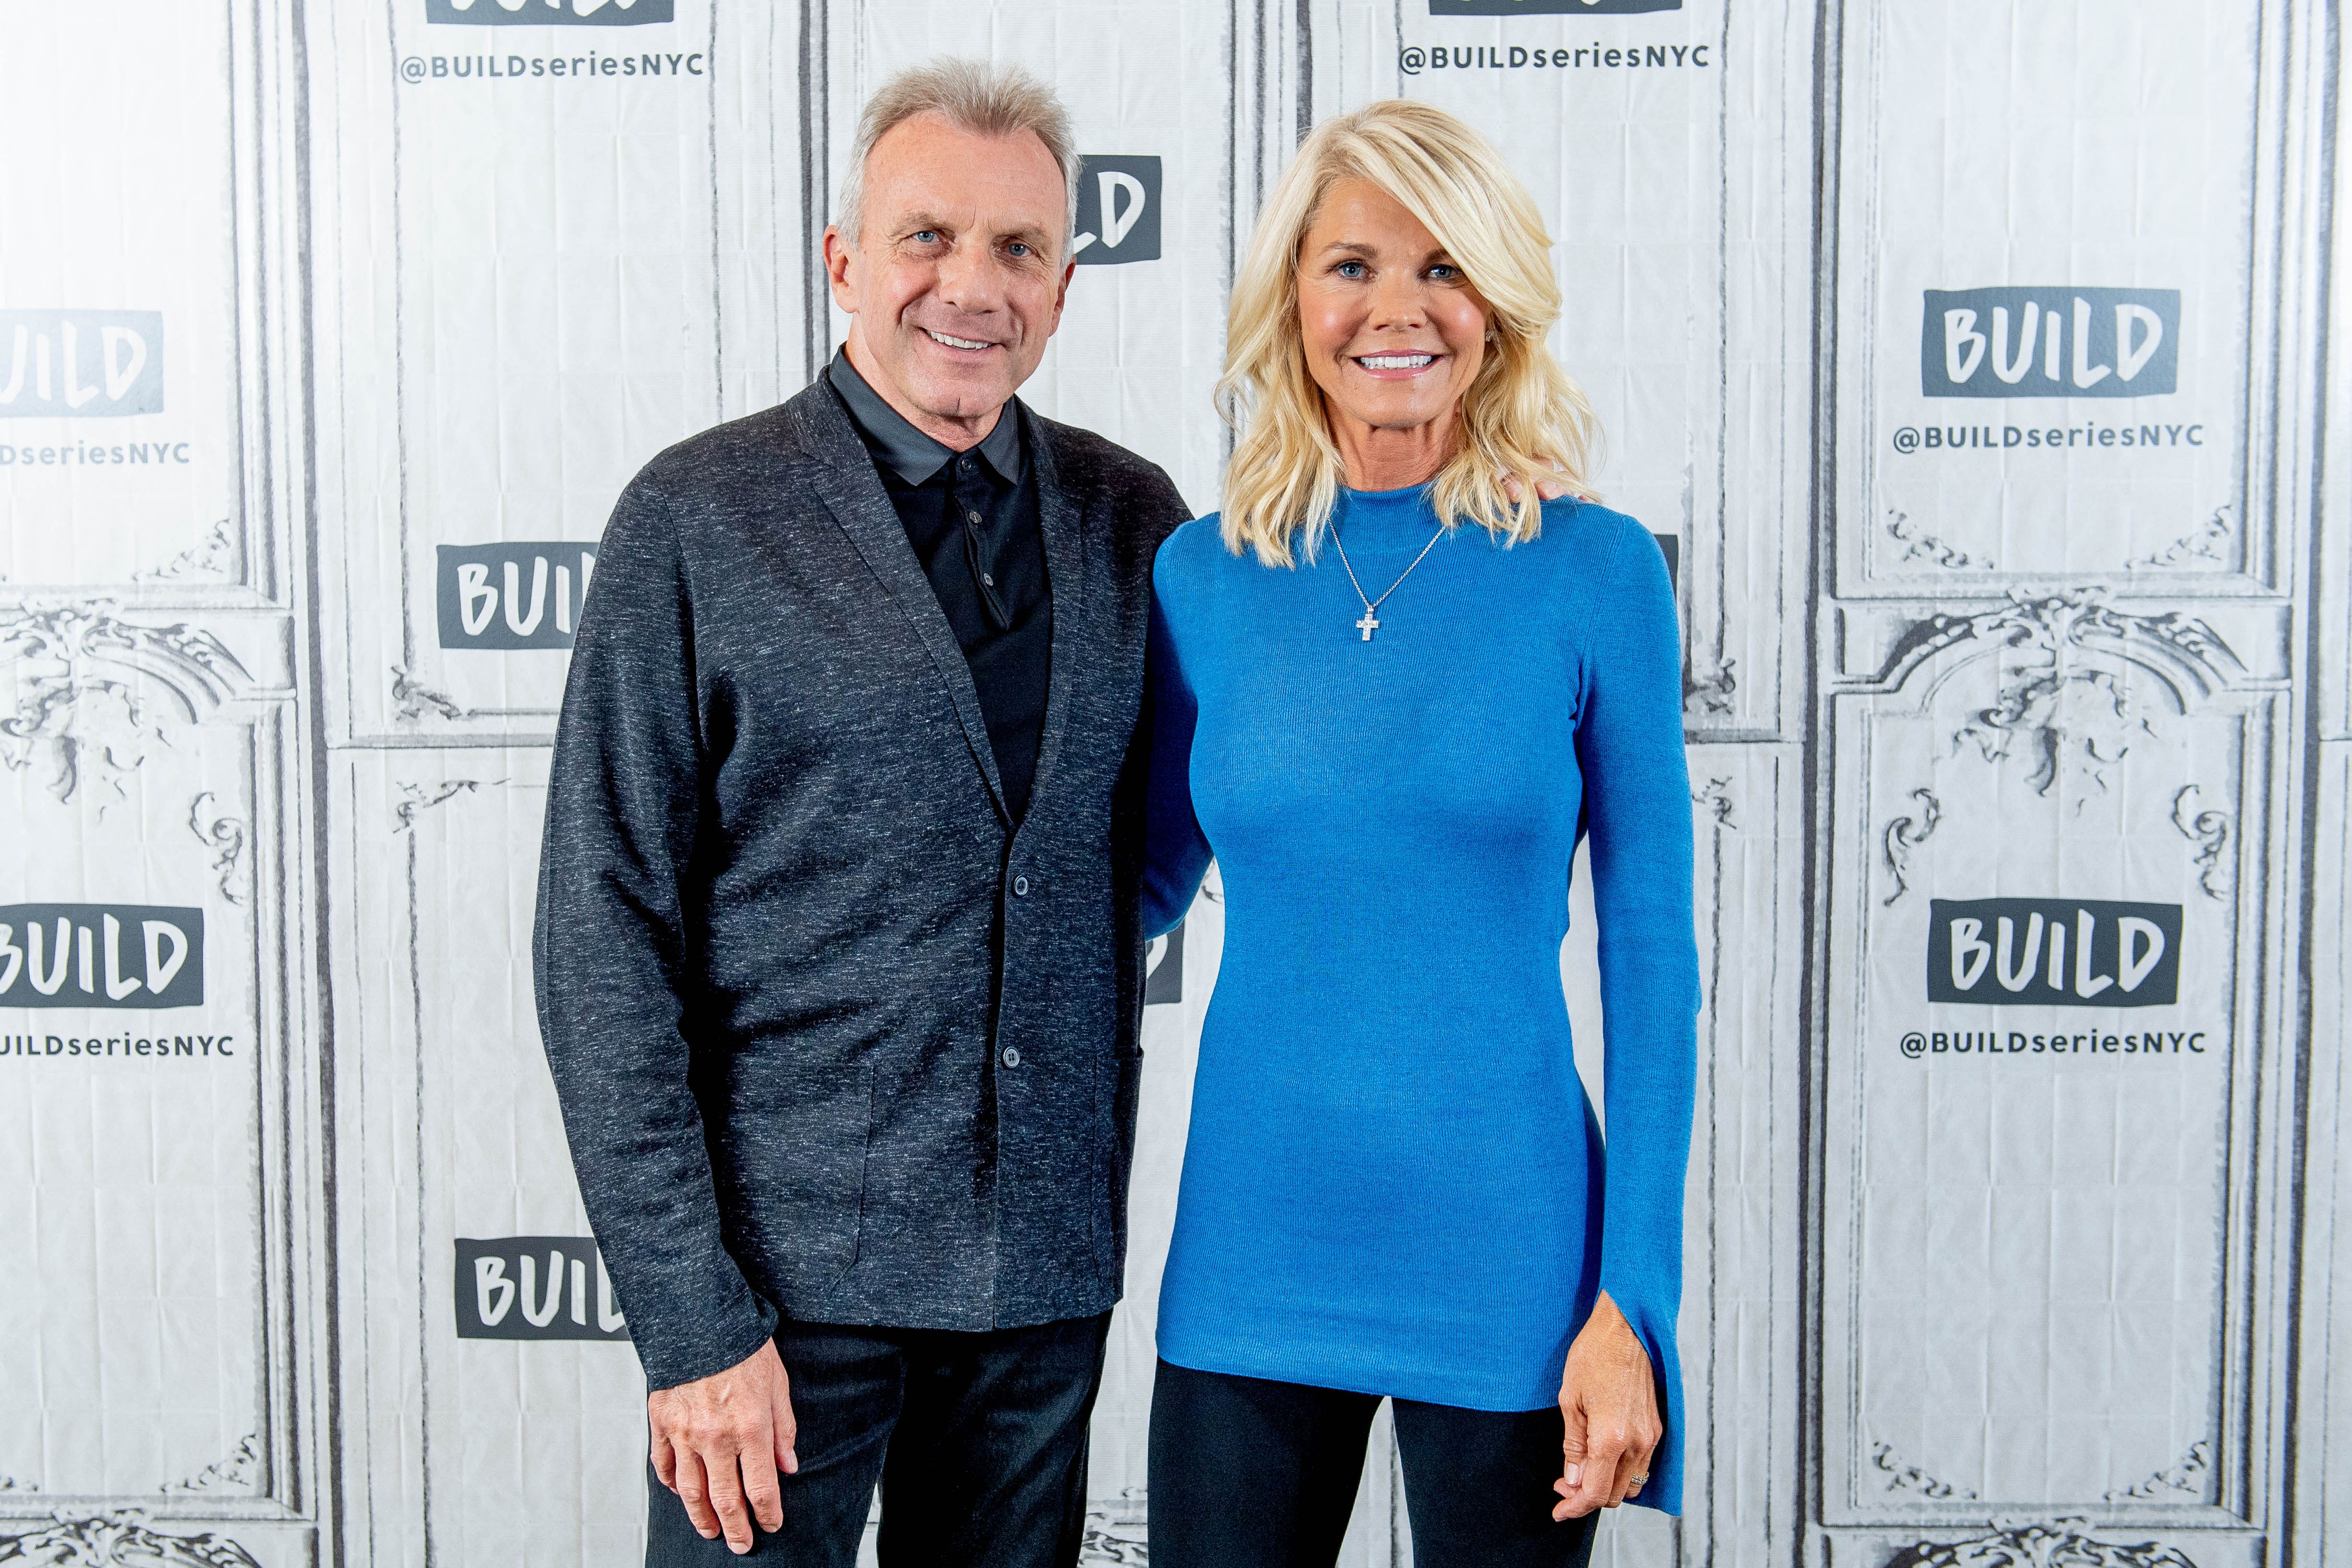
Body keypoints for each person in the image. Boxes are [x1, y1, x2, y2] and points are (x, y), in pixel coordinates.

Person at [533, 58, 1190, 1567]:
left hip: (1035, 1287)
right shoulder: (697, 515)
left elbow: (1137, 848)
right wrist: (692, 1324)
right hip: (772, 1303)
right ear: (843, 262)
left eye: (1019, 248)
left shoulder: (1128, 517)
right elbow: (599, 935)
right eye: (925, 238)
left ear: (1066, 287)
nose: (971, 286)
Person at [1139, 100, 1699, 1568]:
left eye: (1443, 266)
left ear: (1497, 298)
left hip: (1512, 1254)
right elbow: (1118, 890)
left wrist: (1629, 1301)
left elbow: (1650, 959)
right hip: (1252, 1243)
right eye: (1351, 266)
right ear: (1290, 300)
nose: (1397, 308)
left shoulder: (1595, 571)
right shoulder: (1200, 578)